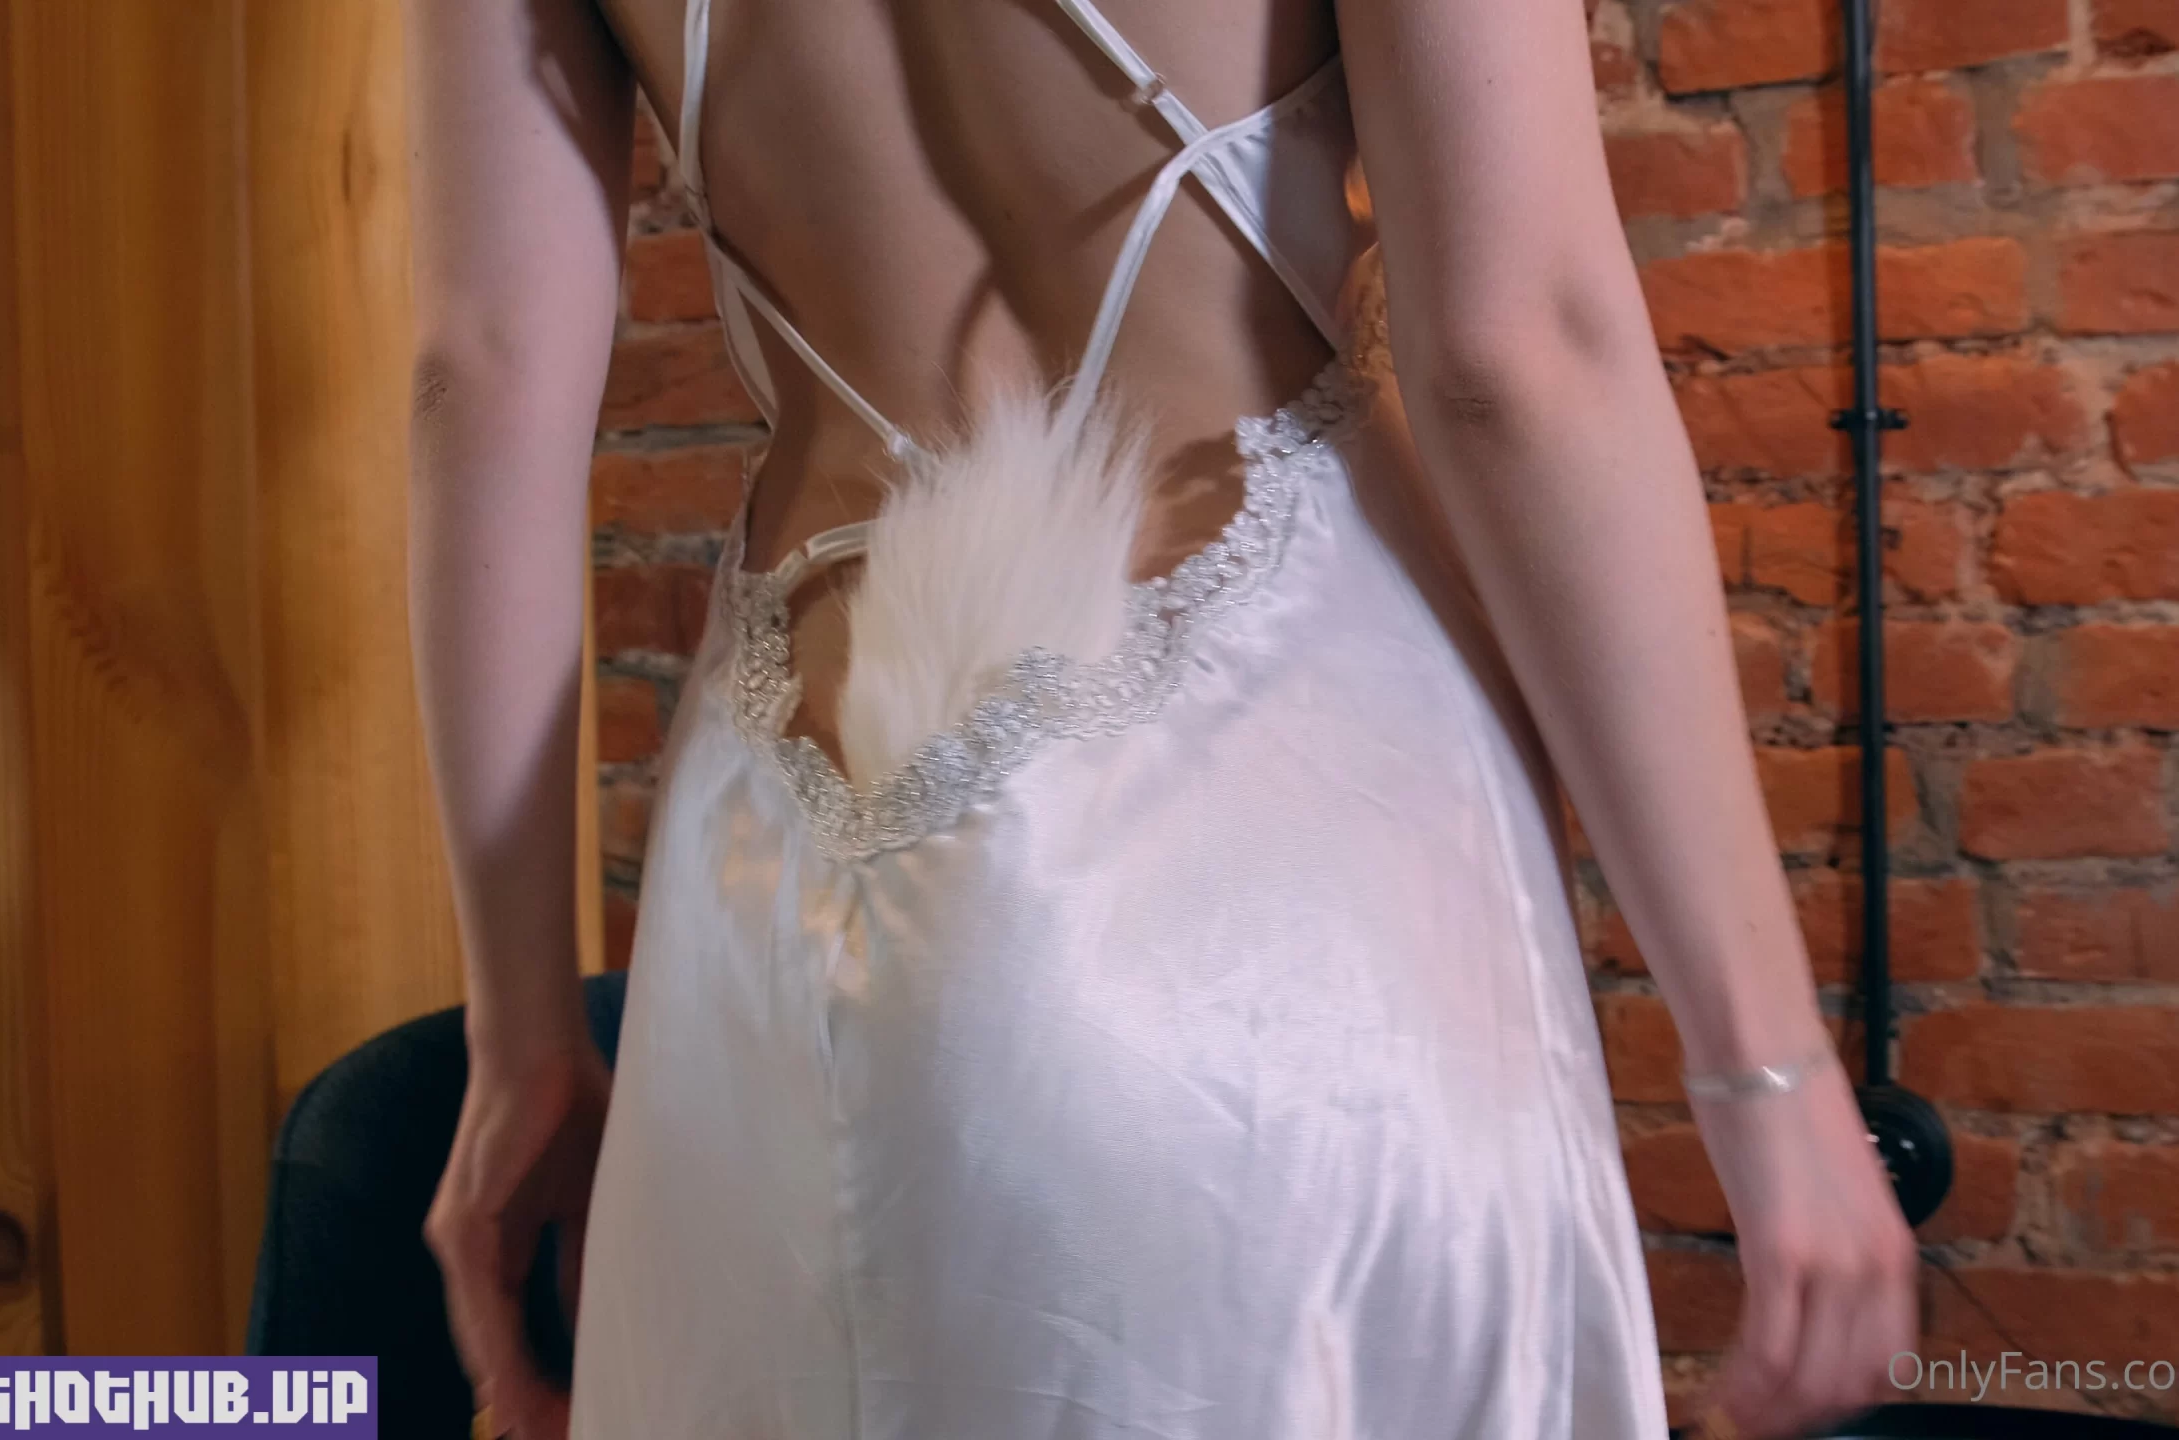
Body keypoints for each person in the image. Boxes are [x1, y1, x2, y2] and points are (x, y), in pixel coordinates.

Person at [405, 0, 1920, 1436]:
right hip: (1273, 847)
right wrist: (1766, 1073)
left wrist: (521, 1041)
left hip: (764, 897)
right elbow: (1514, 351)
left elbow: (481, 381)